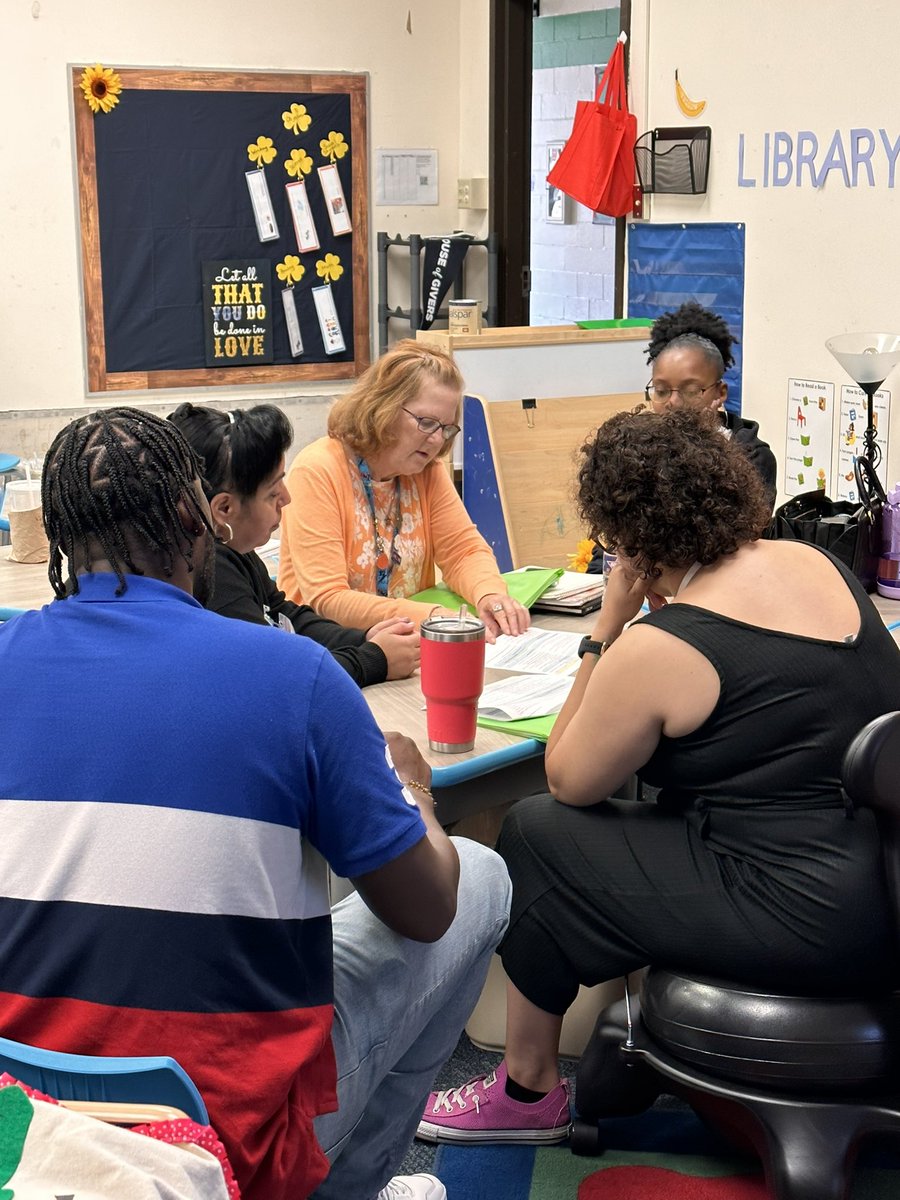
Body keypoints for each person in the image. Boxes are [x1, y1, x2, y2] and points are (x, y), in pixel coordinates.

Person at [0, 407, 512, 1200]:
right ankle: (350, 1185)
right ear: (197, 516)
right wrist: (414, 795)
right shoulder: (295, 675)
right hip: (221, 1134)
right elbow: (426, 912)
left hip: (28, 1117)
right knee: (474, 877)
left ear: (64, 540)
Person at [416, 408, 900, 1146]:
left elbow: (569, 777)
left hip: (798, 916)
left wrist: (605, 630)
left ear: (628, 539)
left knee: (541, 831)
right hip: (880, 887)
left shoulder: (665, 645)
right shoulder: (820, 565)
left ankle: (527, 1086)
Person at [277, 339, 530, 642]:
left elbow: (463, 551)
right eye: (426, 422)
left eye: (447, 428)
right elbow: (328, 599)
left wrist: (489, 594)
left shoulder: (426, 470)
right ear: (383, 408)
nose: (437, 440)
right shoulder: (317, 471)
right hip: (334, 649)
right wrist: (431, 617)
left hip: (404, 646)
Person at [168, 401, 419, 687]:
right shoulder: (212, 572)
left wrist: (366, 638)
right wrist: (374, 659)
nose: (286, 498)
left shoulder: (233, 548)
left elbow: (288, 617)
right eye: (272, 492)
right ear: (224, 509)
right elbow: (278, 674)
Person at [587, 301, 777, 573]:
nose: (673, 402)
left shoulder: (750, 456)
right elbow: (610, 543)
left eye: (690, 390)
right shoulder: (636, 451)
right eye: (662, 391)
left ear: (720, 392)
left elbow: (730, 544)